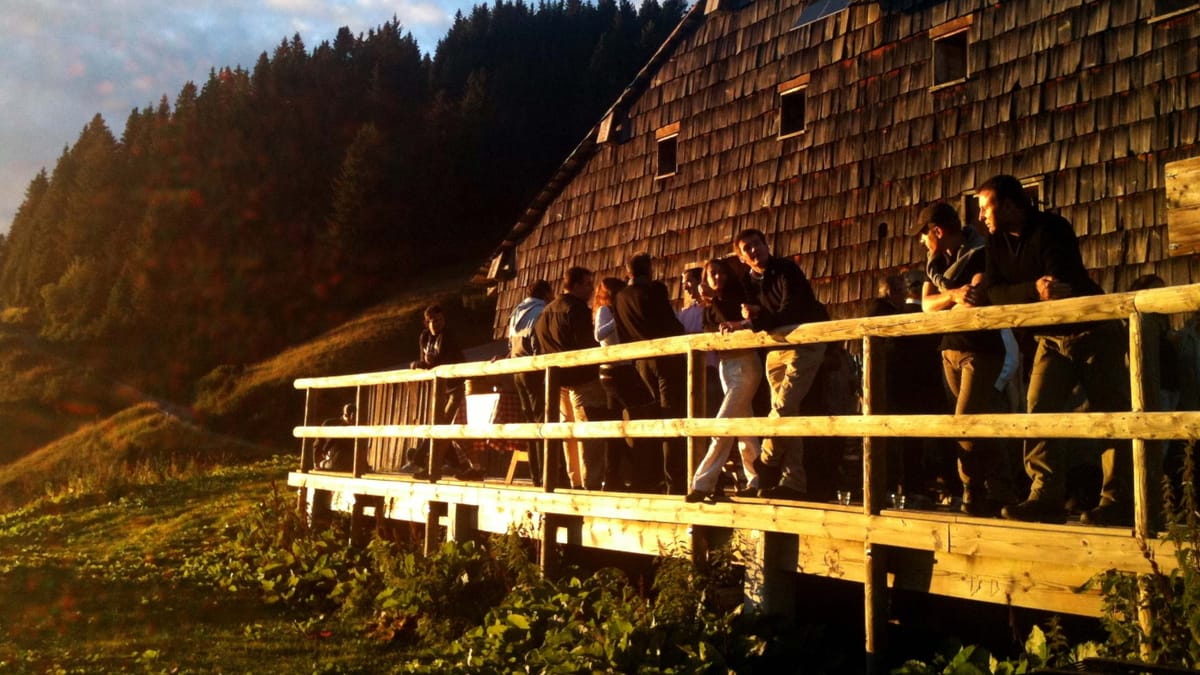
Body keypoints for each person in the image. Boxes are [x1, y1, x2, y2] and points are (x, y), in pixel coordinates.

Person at [977, 174, 1132, 525]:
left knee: (1110, 413)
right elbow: (994, 293)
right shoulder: (994, 242)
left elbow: (1059, 284)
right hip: (1049, 338)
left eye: (985, 207)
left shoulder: (1052, 228)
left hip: (1092, 330)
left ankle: (1119, 499)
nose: (981, 216)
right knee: (1039, 409)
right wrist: (1033, 289)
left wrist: (1031, 291)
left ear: (1009, 205)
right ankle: (1045, 495)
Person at [915, 201, 1017, 516]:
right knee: (978, 419)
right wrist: (952, 295)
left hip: (980, 347)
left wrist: (950, 300)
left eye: (924, 235)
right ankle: (998, 488)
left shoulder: (980, 253)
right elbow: (926, 305)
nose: (922, 242)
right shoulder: (935, 264)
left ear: (937, 231)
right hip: (949, 348)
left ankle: (972, 490)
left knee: (966, 423)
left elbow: (973, 298)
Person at [731, 228, 829, 500]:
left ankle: (766, 462)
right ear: (742, 258)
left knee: (784, 405)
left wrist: (759, 319)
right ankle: (793, 481)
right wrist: (750, 318)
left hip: (803, 342)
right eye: (747, 248)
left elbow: (792, 309)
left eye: (757, 244)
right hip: (775, 348)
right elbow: (759, 317)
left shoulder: (786, 269)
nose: (754, 250)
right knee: (787, 413)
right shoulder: (747, 282)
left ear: (766, 245)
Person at [686, 258, 763, 503]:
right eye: (712, 274)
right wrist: (711, 301)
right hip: (725, 366)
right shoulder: (709, 307)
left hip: (745, 363)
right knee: (744, 427)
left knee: (723, 425)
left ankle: (701, 483)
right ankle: (757, 478)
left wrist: (716, 301)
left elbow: (733, 320)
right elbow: (711, 332)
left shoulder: (735, 298)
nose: (717, 277)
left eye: (720, 273)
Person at [614, 253, 688, 494]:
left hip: (640, 362)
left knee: (653, 416)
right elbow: (670, 324)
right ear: (649, 269)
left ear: (628, 272)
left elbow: (622, 333)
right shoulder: (654, 291)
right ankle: (675, 481)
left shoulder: (620, 297)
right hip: (665, 359)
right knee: (671, 416)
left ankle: (653, 477)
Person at [534, 266, 607, 490]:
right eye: (587, 284)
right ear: (574, 285)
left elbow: (538, 346)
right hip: (582, 379)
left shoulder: (545, 313)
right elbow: (586, 344)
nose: (591, 289)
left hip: (557, 382)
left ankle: (575, 479)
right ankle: (591, 481)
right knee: (589, 431)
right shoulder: (576, 309)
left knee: (569, 434)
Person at [594, 276, 662, 492]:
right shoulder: (605, 310)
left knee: (615, 422)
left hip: (623, 369)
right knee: (641, 411)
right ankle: (642, 475)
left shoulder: (619, 310)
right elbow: (599, 334)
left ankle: (613, 476)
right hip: (614, 370)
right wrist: (617, 318)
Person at [410, 304, 479, 481]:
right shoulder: (425, 337)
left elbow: (447, 360)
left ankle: (423, 460)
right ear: (427, 323)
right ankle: (456, 466)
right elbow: (425, 361)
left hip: (455, 387)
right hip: (439, 389)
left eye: (440, 320)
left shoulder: (448, 336)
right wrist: (419, 364)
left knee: (441, 425)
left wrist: (432, 362)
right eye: (433, 321)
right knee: (441, 427)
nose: (437, 324)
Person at [508, 279, 553, 485]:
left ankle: (535, 474)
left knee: (529, 422)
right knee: (541, 419)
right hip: (533, 369)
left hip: (517, 369)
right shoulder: (541, 311)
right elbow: (538, 342)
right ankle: (545, 473)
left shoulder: (517, 311)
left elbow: (511, 343)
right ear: (546, 293)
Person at [315, 403, 357, 472]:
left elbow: (330, 441)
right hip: (343, 462)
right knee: (325, 463)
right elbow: (330, 441)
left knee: (323, 463)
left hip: (340, 463)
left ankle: (323, 463)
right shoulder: (339, 425)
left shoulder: (347, 427)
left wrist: (324, 451)